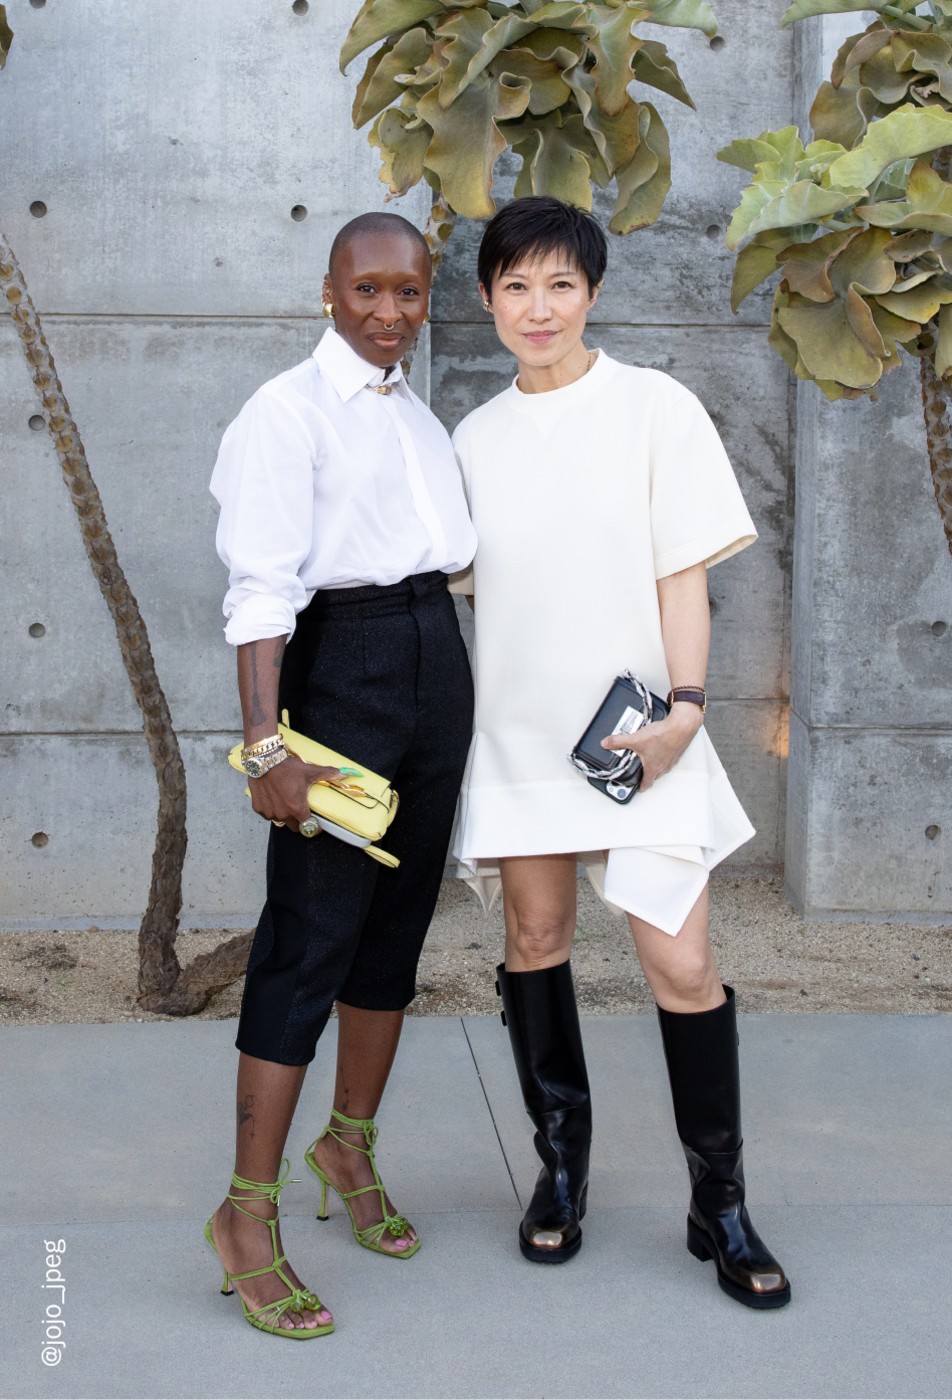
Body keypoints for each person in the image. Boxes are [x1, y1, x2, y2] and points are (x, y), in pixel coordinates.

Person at [450, 195, 790, 1309]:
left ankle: (720, 1203)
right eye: (515, 286)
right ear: (487, 299)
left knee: (682, 965)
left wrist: (687, 709)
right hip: (520, 737)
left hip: (644, 733)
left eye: (560, 284)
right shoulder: (471, 440)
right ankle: (561, 1172)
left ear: (592, 292)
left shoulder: (654, 408)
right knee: (534, 938)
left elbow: (680, 574)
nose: (537, 307)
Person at [205, 211, 476, 1337]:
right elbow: (261, 588)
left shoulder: (417, 415)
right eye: (367, 289)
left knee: (394, 932)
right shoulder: (286, 412)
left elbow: (448, 563)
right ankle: (244, 1214)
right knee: (308, 941)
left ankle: (348, 1146)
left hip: (432, 663)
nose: (389, 312)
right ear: (328, 290)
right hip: (342, 672)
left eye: (408, 291)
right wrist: (269, 744)